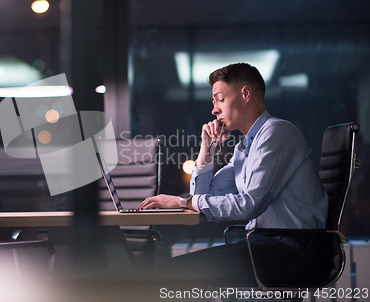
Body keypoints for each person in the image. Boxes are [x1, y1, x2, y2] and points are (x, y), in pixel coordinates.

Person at [138, 62, 328, 285]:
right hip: (267, 246)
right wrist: (206, 149)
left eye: (220, 99)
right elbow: (205, 193)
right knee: (175, 270)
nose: (214, 110)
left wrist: (183, 201)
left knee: (175, 272)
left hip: (293, 250)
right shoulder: (245, 148)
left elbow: (249, 204)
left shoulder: (276, 133)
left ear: (245, 94)